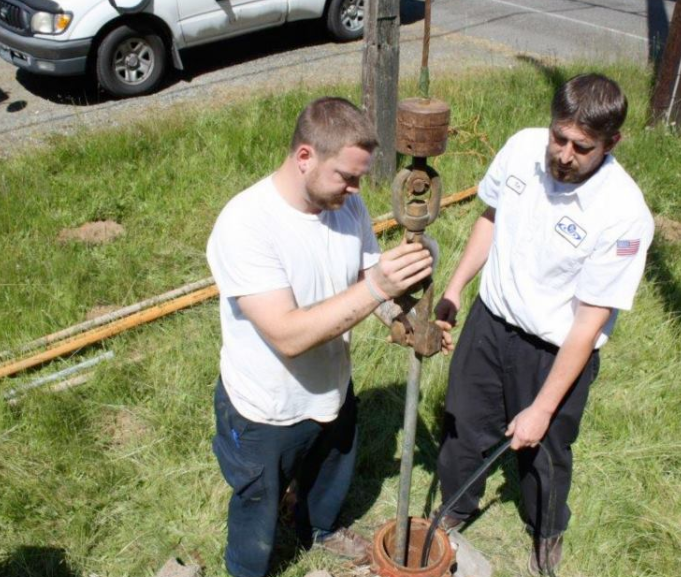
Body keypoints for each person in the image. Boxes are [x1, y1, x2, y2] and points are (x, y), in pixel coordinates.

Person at [207, 96, 452, 577]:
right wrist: (380, 285)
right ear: (305, 157)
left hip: (332, 388)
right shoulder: (246, 225)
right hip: (266, 408)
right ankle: (247, 569)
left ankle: (318, 528)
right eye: (347, 175)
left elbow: (366, 278)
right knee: (258, 504)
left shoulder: (346, 206)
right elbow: (288, 335)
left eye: (361, 177)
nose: (357, 189)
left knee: (328, 473)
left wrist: (404, 321)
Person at [434, 74, 654, 576]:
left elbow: (587, 324)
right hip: (490, 322)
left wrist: (541, 407)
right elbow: (490, 218)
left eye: (582, 147)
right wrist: (454, 288)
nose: (564, 154)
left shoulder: (623, 214)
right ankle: (455, 508)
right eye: (559, 137)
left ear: (611, 143)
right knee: (464, 425)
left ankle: (545, 530)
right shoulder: (519, 149)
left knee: (545, 451)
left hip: (554, 349)